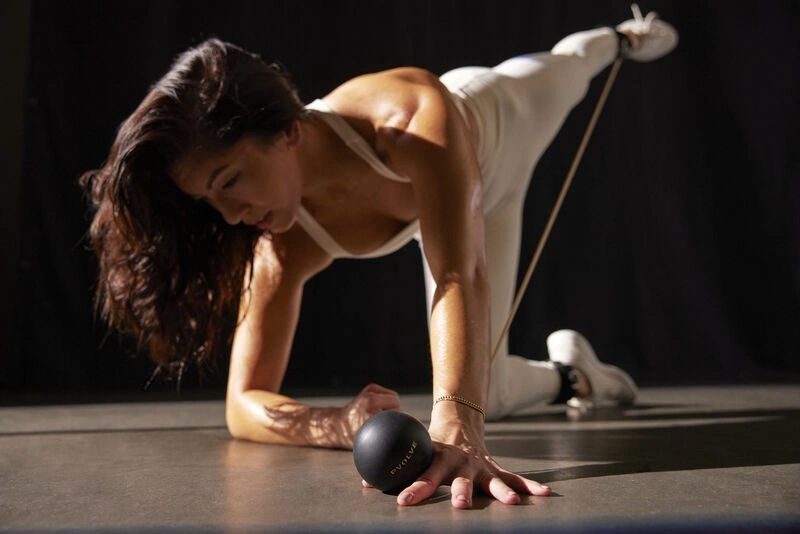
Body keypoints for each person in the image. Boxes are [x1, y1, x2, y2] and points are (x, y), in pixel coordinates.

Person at [81, 5, 678, 509]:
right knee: (486, 392)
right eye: (210, 200)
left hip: (497, 122)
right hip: (460, 224)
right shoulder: (281, 241)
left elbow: (458, 272)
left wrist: (456, 426)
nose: (230, 215)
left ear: (287, 132)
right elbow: (244, 404)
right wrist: (336, 423)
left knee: (568, 70)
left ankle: (618, 38)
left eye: (230, 180)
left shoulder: (410, 117)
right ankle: (575, 374)